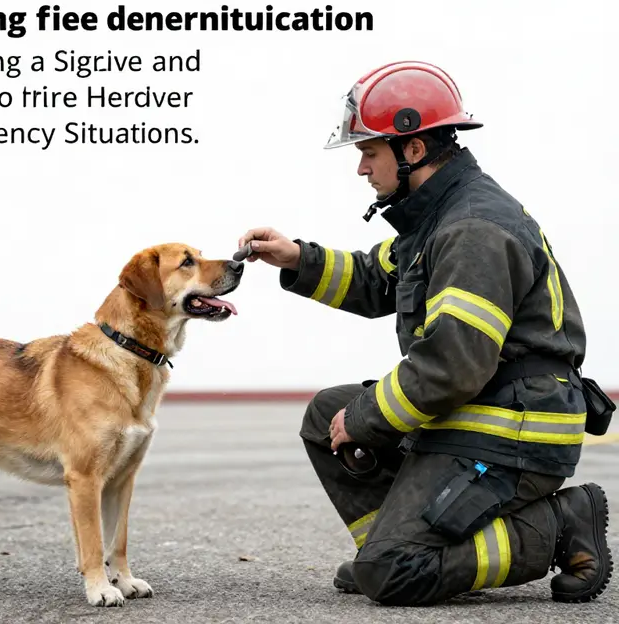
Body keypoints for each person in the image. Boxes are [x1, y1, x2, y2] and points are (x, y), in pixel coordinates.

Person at [237, 61, 613, 606]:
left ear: (412, 149)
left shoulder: (471, 229)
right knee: (327, 416)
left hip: (514, 431)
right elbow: (375, 279)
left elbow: (451, 365)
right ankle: (397, 547)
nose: (362, 169)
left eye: (369, 152)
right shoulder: (438, 217)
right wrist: (297, 258)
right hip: (487, 409)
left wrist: (367, 417)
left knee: (392, 572)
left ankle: (557, 524)